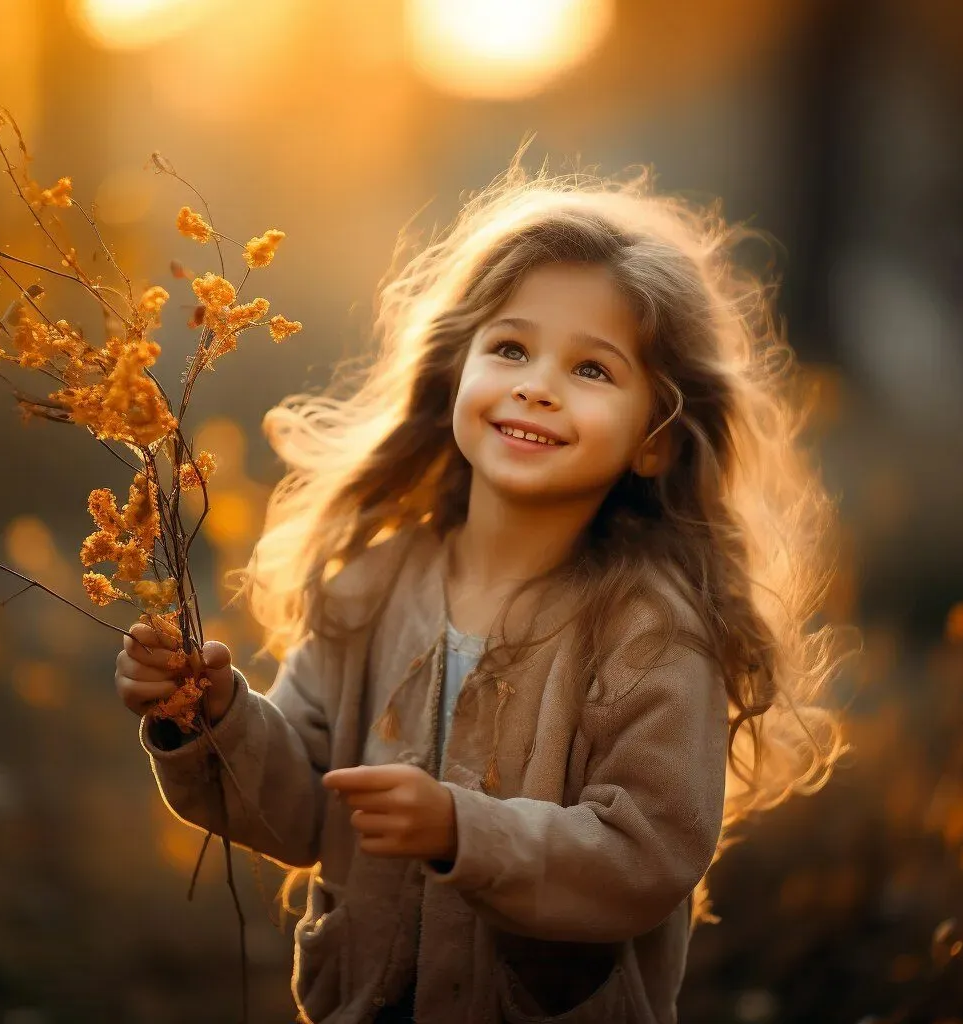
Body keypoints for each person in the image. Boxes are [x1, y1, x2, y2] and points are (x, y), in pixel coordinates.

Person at [115, 159, 847, 1024]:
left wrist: (465, 831)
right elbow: (303, 804)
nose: (537, 383)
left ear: (654, 439)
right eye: (511, 348)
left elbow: (647, 854)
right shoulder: (373, 589)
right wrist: (205, 717)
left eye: (593, 370)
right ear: (454, 373)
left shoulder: (651, 631)